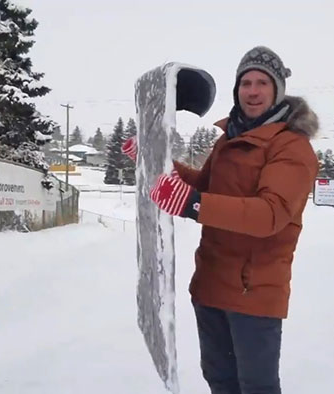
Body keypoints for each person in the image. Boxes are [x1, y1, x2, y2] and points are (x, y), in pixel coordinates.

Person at [123, 46, 319, 394]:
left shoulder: (291, 147)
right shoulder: (230, 139)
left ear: (277, 90)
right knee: (220, 382)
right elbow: (203, 187)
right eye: (246, 83)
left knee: (255, 386)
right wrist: (152, 160)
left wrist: (193, 205)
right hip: (211, 285)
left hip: (253, 293)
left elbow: (270, 213)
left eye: (262, 82)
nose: (253, 91)